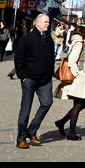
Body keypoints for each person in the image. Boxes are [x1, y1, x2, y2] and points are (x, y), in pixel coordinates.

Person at [14, 12, 57, 148]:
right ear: (37, 23)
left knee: (47, 102)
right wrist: (23, 76)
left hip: (45, 80)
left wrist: (50, 72)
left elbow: (51, 57)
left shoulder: (49, 39)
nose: (48, 24)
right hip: (30, 79)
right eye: (46, 22)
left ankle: (31, 131)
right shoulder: (27, 39)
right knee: (25, 110)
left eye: (48, 22)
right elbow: (18, 58)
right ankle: (21, 138)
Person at [52, 27, 85, 141]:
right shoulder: (79, 43)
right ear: (83, 33)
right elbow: (72, 60)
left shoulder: (78, 42)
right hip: (78, 78)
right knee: (79, 104)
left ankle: (61, 122)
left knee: (82, 103)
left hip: (81, 77)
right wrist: (77, 73)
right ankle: (71, 133)